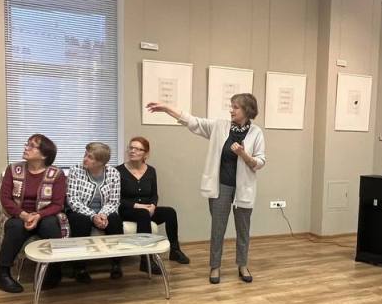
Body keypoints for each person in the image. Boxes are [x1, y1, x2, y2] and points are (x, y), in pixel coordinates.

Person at [146, 94, 266, 284]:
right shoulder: (219, 126)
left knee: (243, 229)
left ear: (247, 110)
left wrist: (243, 154)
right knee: (217, 229)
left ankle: (242, 265)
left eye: (235, 107)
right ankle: (215, 266)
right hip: (221, 187)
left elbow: (259, 162)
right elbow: (192, 121)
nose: (231, 110)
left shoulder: (256, 133)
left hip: (244, 189)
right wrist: (167, 108)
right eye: (231, 106)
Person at [0, 134, 69, 293]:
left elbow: (58, 204)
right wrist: (24, 215)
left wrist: (38, 216)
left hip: (44, 215)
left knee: (51, 225)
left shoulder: (56, 174)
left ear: (44, 155)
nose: (26, 148)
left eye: (31, 146)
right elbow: (5, 199)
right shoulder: (13, 169)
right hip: (18, 215)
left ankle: (54, 271)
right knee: (15, 227)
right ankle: (3, 274)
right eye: (27, 144)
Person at [116, 136, 190, 273]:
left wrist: (153, 206)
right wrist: (137, 206)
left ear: (146, 153)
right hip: (127, 210)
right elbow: (117, 198)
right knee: (143, 213)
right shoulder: (118, 171)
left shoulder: (151, 171)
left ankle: (175, 250)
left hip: (147, 210)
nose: (133, 151)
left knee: (170, 212)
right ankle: (146, 260)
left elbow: (154, 195)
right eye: (131, 148)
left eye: (138, 149)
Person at [66, 142, 124, 281]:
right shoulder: (75, 170)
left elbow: (114, 201)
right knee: (81, 221)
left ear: (101, 162)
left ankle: (116, 264)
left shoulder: (113, 173)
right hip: (79, 211)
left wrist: (103, 214)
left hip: (104, 211)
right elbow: (73, 200)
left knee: (115, 220)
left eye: (90, 157)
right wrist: (93, 216)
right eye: (85, 155)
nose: (85, 159)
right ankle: (80, 268)